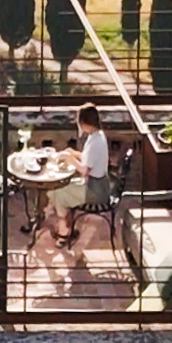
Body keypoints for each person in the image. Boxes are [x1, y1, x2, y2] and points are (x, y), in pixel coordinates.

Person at [59, 102, 116, 246]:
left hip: (95, 191)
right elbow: (88, 157)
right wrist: (73, 153)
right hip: (99, 185)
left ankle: (64, 232)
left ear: (84, 122)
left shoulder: (95, 141)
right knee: (59, 188)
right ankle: (65, 226)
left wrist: (70, 159)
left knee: (58, 192)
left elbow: (84, 169)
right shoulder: (97, 135)